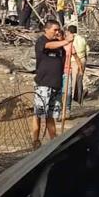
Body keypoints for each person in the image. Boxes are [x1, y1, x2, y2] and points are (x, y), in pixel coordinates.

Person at [32, 20, 73, 148]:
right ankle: (35, 140)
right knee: (39, 113)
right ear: (47, 29)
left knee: (51, 114)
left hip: (56, 84)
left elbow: (63, 59)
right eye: (54, 30)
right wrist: (66, 41)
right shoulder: (42, 41)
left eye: (58, 30)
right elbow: (48, 46)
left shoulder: (60, 47)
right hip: (44, 83)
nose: (57, 32)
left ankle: (53, 141)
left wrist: (65, 44)